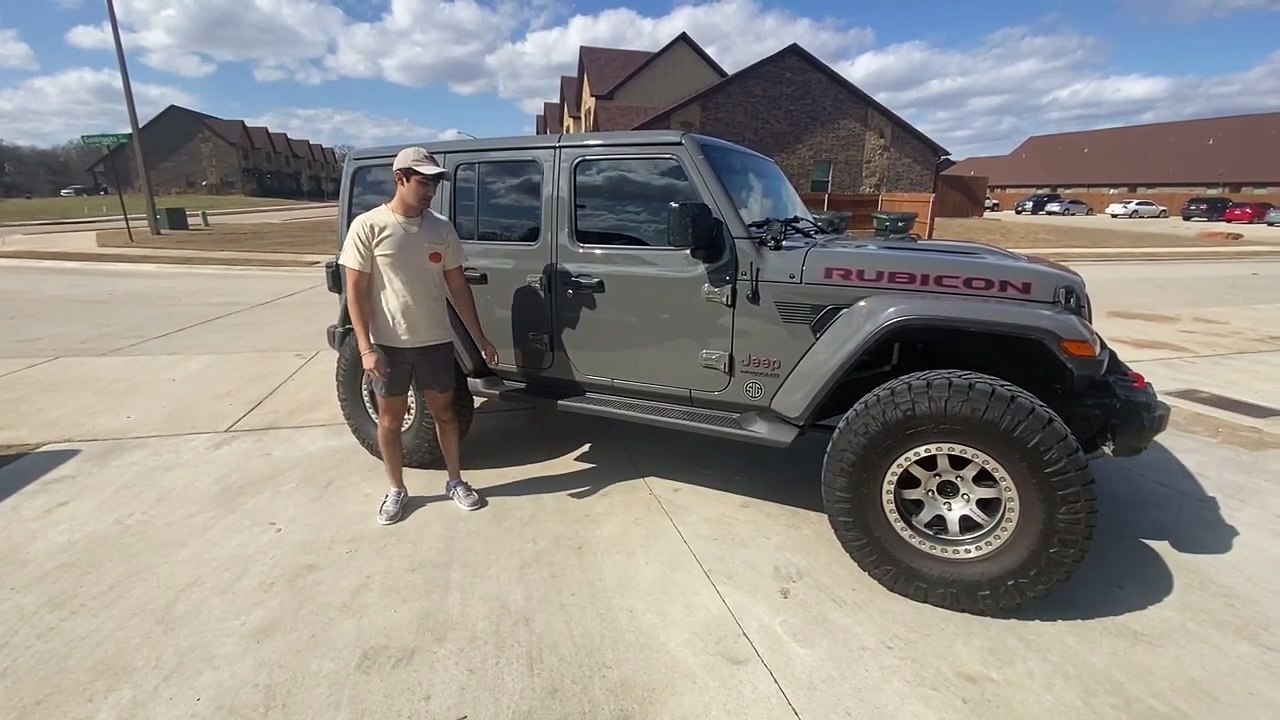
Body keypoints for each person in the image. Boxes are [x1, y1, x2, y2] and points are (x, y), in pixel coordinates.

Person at [338, 146, 499, 525]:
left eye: (434, 184)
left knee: (446, 414)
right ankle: (396, 490)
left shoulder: (440, 228)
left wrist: (480, 338)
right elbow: (355, 291)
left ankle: (455, 481)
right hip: (389, 346)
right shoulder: (368, 226)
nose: (430, 191)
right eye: (423, 182)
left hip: (435, 342)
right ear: (400, 179)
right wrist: (365, 348)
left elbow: (459, 287)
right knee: (390, 420)